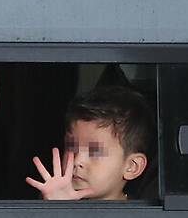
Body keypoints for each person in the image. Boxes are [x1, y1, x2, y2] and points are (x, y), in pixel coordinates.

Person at [25, 85, 154, 200]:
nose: (77, 161)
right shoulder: (54, 197)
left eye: (95, 151)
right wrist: (56, 209)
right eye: (71, 147)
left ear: (132, 166)